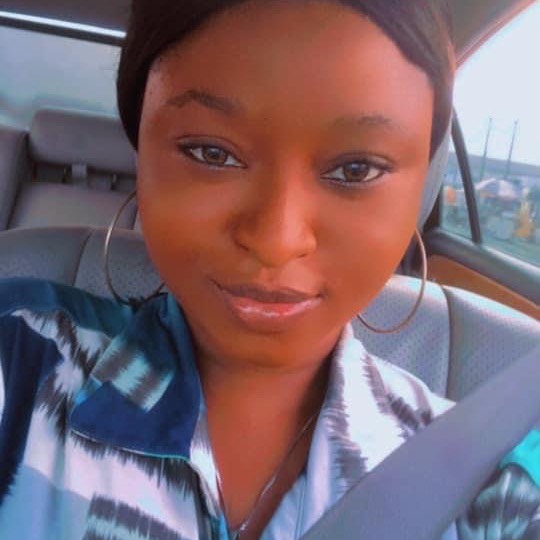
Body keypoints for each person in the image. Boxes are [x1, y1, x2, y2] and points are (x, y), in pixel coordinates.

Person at [0, 1, 538, 539]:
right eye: (211, 153)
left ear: (420, 187)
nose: (276, 243)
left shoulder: (489, 486)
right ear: (141, 154)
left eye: (356, 169)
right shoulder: (20, 357)